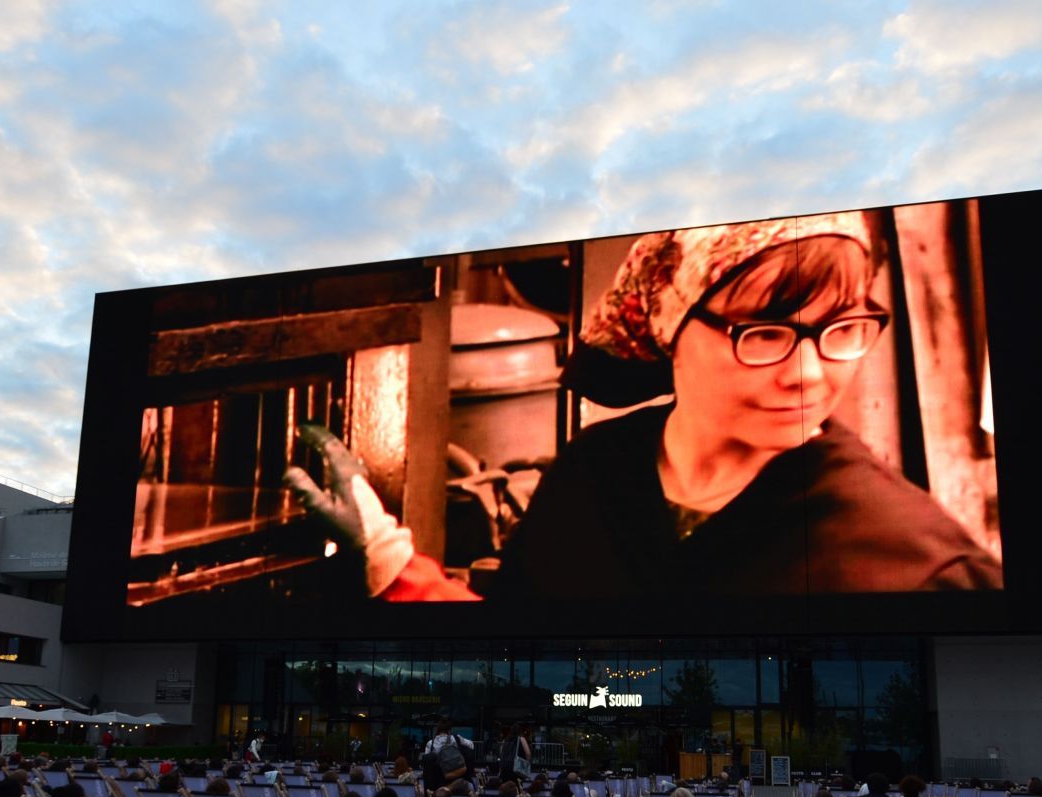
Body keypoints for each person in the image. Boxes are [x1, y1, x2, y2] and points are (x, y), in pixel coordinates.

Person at [284, 213, 1001, 603]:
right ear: (672, 330)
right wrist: (388, 556)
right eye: (767, 334)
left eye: (842, 330)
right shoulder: (596, 473)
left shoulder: (914, 562)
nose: (810, 373)